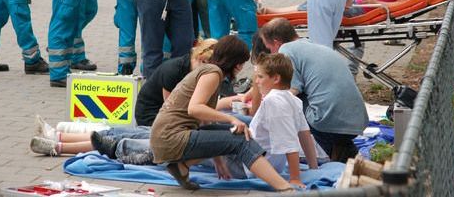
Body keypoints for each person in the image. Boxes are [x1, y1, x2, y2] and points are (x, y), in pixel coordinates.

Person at [150, 36, 293, 192]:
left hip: (167, 136)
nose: (241, 68)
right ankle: (285, 188)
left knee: (236, 132)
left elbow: (205, 121)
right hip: (171, 138)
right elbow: (195, 108)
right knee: (242, 140)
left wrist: (218, 159)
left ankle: (181, 167)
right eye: (241, 63)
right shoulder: (213, 73)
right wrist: (231, 118)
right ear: (236, 64)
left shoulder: (210, 71)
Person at [259, 18, 368, 162]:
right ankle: (343, 155)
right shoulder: (313, 45)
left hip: (328, 120)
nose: (271, 53)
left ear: (277, 43)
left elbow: (291, 92)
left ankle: (328, 157)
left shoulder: (286, 50)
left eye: (269, 48)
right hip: (358, 119)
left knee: (286, 100)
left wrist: (264, 102)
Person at [249, 53, 318, 187]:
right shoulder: (293, 99)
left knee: (204, 147)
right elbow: (304, 135)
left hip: (250, 165)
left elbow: (289, 142)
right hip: (264, 162)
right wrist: (313, 167)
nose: (256, 81)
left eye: (260, 77)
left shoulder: (273, 101)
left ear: (276, 78)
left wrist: (295, 178)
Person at [135, 38, 218, 126]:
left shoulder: (194, 69)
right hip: (150, 113)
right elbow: (170, 108)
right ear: (202, 60)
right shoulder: (173, 71)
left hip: (171, 111)